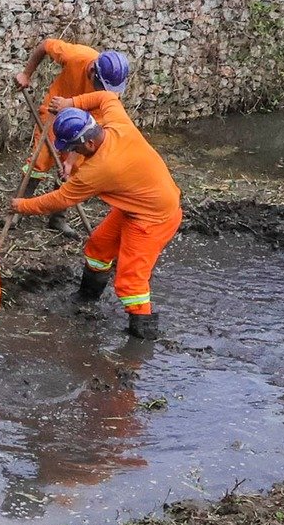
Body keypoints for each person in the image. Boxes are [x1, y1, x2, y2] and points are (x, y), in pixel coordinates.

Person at [14, 91, 181, 340]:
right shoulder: (116, 124)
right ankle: (87, 297)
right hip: (137, 205)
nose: (71, 152)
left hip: (153, 218)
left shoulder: (101, 169)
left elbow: (59, 199)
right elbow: (106, 98)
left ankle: (142, 337)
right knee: (98, 247)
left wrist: (22, 205)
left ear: (89, 144)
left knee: (130, 283)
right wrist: (71, 103)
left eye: (73, 148)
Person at [13, 40, 131, 210]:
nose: (103, 91)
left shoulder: (110, 94)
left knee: (73, 169)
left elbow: (90, 131)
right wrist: (26, 74)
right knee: (40, 160)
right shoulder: (77, 55)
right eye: (101, 86)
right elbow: (45, 45)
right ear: (92, 71)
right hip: (54, 112)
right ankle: (19, 207)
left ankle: (58, 216)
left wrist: (69, 161)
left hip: (83, 125)